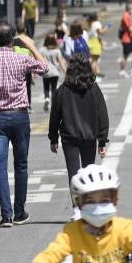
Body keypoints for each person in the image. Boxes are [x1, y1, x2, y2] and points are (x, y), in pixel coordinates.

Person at [0, 24, 48, 227]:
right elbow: (44, 68)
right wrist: (31, 46)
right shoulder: (21, 58)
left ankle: (6, 215)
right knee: (21, 165)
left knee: (0, 167)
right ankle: (19, 212)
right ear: (13, 39)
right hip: (19, 116)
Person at [49, 59, 109, 189]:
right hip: (89, 137)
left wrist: (53, 139)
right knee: (89, 174)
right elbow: (102, 115)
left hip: (69, 138)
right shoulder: (94, 89)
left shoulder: (62, 91)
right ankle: (88, 203)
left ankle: (76, 206)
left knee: (73, 175)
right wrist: (102, 140)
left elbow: (54, 117)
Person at [41, 34, 68, 113]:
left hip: (46, 71)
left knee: (46, 87)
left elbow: (38, 59)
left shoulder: (42, 50)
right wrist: (66, 71)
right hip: (55, 72)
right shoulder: (57, 51)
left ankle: (46, 99)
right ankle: (53, 106)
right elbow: (61, 62)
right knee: (53, 89)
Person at [86, 14, 105, 82]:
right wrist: (107, 27)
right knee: (94, 61)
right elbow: (100, 32)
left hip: (90, 42)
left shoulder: (91, 23)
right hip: (95, 43)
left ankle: (97, 73)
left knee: (94, 60)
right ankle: (94, 75)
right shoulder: (96, 23)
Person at [118, 2, 132, 79]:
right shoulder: (126, 16)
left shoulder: (128, 16)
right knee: (125, 56)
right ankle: (122, 71)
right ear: (129, 8)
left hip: (130, 39)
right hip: (127, 39)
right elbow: (130, 28)